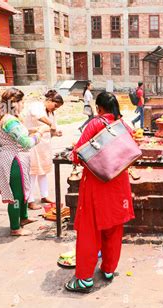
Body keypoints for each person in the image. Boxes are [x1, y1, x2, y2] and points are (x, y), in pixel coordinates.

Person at [65, 91, 135, 293]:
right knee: (113, 227)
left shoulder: (96, 124)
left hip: (97, 184)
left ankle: (85, 279)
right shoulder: (124, 126)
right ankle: (109, 269)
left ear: (99, 108)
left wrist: (73, 150)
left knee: (90, 231)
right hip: (119, 184)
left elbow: (78, 156)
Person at [0, 88, 48, 236]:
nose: (23, 104)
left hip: (18, 159)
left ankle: (23, 218)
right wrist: (40, 133)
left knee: (24, 190)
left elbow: (19, 133)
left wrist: (34, 130)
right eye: (22, 101)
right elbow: (26, 143)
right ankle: (15, 228)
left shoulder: (10, 118)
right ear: (14, 103)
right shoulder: (9, 120)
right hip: (13, 160)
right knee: (16, 195)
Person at [25, 90, 64, 210]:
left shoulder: (51, 113)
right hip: (33, 144)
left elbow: (51, 129)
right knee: (32, 173)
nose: (55, 109)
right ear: (49, 100)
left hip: (45, 146)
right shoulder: (37, 106)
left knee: (43, 172)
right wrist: (50, 124)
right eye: (55, 106)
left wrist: (55, 132)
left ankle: (44, 195)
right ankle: (30, 200)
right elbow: (39, 116)